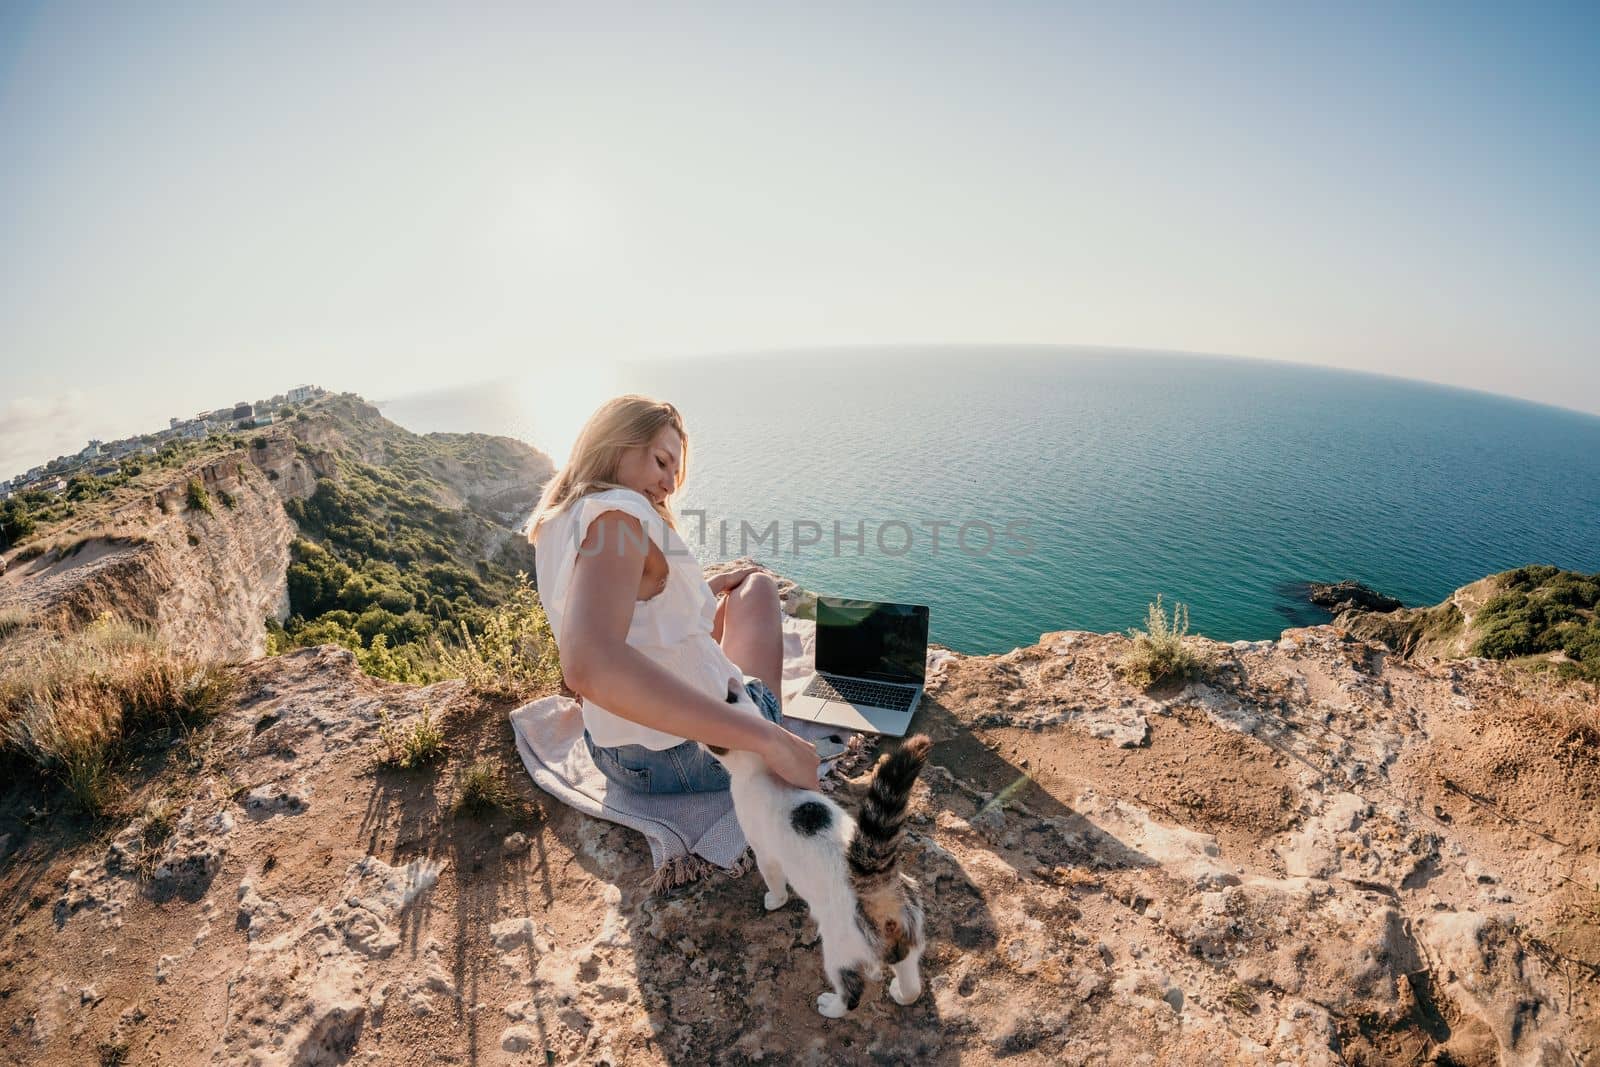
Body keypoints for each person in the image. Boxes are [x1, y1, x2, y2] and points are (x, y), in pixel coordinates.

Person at [528, 395, 821, 793]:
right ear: (615, 443)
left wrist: (704, 590)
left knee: (731, 599)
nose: (669, 484)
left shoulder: (562, 518)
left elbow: (630, 613)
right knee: (759, 588)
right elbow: (587, 665)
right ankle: (764, 725)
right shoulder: (619, 520)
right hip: (685, 756)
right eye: (661, 462)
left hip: (613, 751)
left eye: (674, 472)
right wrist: (771, 740)